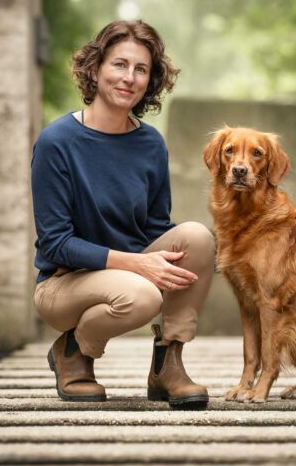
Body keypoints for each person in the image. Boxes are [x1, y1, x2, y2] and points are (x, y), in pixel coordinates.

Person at [31, 20, 215, 409]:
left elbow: (154, 228)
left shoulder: (150, 143)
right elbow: (55, 243)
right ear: (95, 69)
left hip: (128, 276)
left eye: (141, 69)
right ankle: (74, 350)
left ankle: (169, 365)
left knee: (198, 237)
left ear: (150, 82)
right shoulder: (57, 142)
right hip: (64, 284)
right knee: (142, 294)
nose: (128, 78)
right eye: (119, 64)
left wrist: (200, 262)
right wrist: (137, 265)